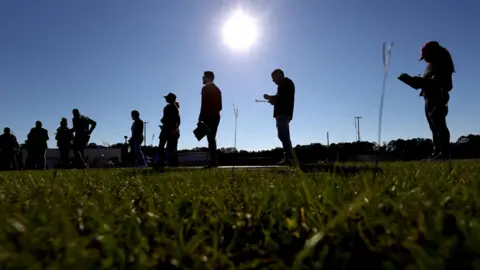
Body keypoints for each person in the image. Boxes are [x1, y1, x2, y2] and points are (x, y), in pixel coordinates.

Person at [399, 41, 455, 161]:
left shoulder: (442, 63)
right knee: (433, 127)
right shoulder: (431, 65)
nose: (424, 60)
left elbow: (444, 83)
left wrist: (420, 81)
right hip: (429, 97)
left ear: (432, 53)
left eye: (426, 56)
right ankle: (437, 152)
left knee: (439, 125)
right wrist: (415, 81)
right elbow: (428, 81)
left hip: (438, 96)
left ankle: (444, 153)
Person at [264, 69, 296, 166]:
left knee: (284, 135)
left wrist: (271, 98)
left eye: (274, 78)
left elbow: (280, 98)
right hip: (283, 113)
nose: (273, 81)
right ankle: (289, 158)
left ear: (280, 75)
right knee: (283, 135)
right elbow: (280, 97)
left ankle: (290, 158)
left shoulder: (286, 83)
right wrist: (273, 99)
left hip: (283, 113)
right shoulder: (285, 84)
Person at [198, 71, 222, 167]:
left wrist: (201, 118)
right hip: (215, 116)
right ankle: (213, 161)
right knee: (211, 138)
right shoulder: (217, 89)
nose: (202, 78)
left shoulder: (205, 89)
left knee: (211, 138)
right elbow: (220, 106)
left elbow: (203, 105)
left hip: (209, 117)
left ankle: (213, 162)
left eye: (203, 77)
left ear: (207, 78)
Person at [156, 93, 180, 170]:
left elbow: (168, 119)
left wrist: (163, 121)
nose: (165, 99)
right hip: (170, 129)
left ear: (170, 99)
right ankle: (171, 162)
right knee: (170, 147)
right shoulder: (174, 107)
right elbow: (176, 120)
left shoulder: (170, 107)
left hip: (167, 129)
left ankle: (162, 162)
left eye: (167, 98)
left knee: (163, 147)